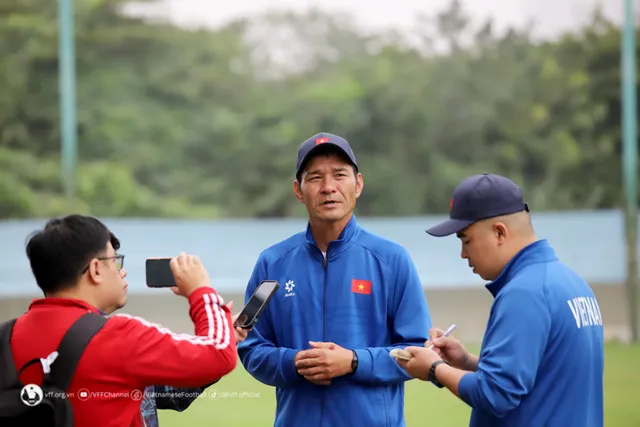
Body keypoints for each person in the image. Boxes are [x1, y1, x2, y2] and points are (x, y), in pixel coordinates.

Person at [237, 132, 432, 427]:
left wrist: (354, 361)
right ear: (298, 190)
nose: (328, 187)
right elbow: (250, 345)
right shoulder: (271, 264)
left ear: (359, 184)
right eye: (315, 177)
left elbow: (417, 349)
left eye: (339, 175)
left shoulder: (392, 260)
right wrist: (295, 362)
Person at [395, 173, 604, 427]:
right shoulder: (572, 283)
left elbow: (496, 395)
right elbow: (534, 376)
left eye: (466, 239)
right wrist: (466, 362)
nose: (463, 253)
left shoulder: (525, 292)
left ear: (500, 232)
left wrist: (434, 368)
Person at [6, 214, 242, 427]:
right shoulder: (119, 335)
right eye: (116, 261)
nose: (123, 271)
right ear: (96, 269)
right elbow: (217, 354)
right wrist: (200, 291)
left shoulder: (7, 336)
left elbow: (162, 392)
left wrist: (225, 333)